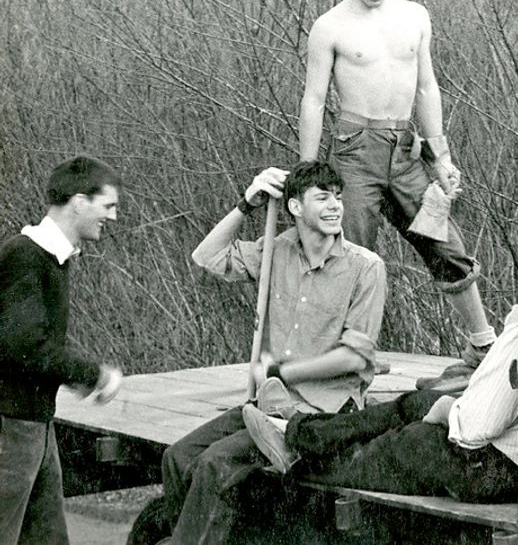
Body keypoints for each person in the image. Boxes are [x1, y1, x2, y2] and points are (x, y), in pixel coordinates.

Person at [241, 193, 518, 504]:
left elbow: (476, 429)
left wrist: (449, 411)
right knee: (413, 404)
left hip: (496, 470)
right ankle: (299, 429)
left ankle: (297, 458)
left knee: (409, 443)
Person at [297, 0, 496, 389]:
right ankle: (346, 359)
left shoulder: (415, 16)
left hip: (407, 150)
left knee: (445, 242)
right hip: (354, 152)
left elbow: (427, 86)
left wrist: (441, 157)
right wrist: (307, 173)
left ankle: (482, 343)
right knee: (348, 256)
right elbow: (314, 101)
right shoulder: (330, 27)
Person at [161, 161, 386, 544]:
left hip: (318, 414)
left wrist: (284, 372)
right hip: (266, 405)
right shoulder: (276, 250)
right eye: (322, 197)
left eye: (338, 196)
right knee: (178, 457)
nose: (335, 206)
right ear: (296, 207)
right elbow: (207, 257)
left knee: (217, 463)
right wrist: (246, 204)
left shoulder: (365, 268)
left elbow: (356, 358)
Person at [0, 156, 123, 545]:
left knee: (47, 536)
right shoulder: (25, 255)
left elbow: (36, 343)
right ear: (79, 202)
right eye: (108, 206)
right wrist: (92, 374)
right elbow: (24, 346)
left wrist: (77, 376)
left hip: (34, 421)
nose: (114, 217)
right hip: (11, 425)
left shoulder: (53, 259)